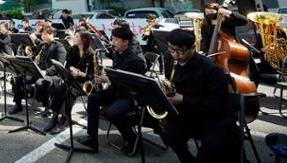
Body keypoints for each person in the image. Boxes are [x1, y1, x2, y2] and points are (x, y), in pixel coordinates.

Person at [161, 29, 240, 162]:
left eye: (180, 51)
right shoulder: (169, 59)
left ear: (193, 47)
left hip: (214, 119)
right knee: (169, 136)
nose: (175, 55)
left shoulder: (211, 69)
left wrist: (183, 99)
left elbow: (217, 104)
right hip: (188, 114)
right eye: (171, 49)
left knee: (212, 148)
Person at [76, 26, 146, 153]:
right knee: (92, 98)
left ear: (126, 41)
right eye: (112, 39)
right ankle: (92, 138)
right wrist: (105, 78)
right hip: (117, 90)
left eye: (116, 40)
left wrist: (107, 80)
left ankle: (132, 138)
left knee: (112, 112)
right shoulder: (117, 55)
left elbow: (133, 87)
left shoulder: (135, 61)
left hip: (130, 96)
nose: (113, 42)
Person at [44, 31, 94, 133]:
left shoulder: (91, 54)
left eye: (76, 36)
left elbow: (92, 75)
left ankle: (63, 119)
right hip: (72, 78)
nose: (73, 38)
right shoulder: (73, 49)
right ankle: (54, 117)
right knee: (59, 89)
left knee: (69, 93)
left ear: (83, 40)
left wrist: (79, 73)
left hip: (84, 83)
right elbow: (67, 64)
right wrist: (72, 68)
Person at [10, 26, 66, 115]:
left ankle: (48, 106)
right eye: (42, 34)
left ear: (52, 35)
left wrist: (46, 72)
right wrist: (25, 61)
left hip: (52, 74)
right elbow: (34, 57)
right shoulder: (41, 45)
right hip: (37, 71)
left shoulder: (59, 47)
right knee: (19, 78)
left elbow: (59, 65)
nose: (42, 37)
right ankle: (18, 104)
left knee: (41, 83)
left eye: (45, 34)